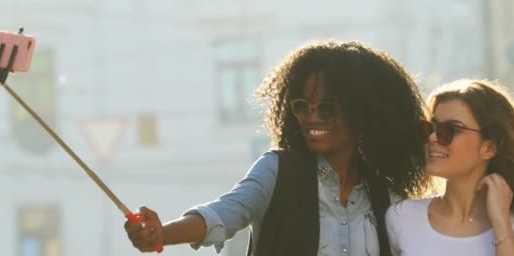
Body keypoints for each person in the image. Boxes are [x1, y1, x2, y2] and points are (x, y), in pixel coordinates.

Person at [124, 40, 431, 256]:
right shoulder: (278, 170)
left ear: (361, 112)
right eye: (302, 106)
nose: (311, 117)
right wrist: (160, 234)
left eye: (325, 108)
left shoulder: (386, 195)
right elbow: (224, 212)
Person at [386, 79, 514, 256]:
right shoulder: (402, 217)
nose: (433, 138)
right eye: (430, 128)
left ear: (489, 148)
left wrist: (500, 222)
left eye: (452, 130)